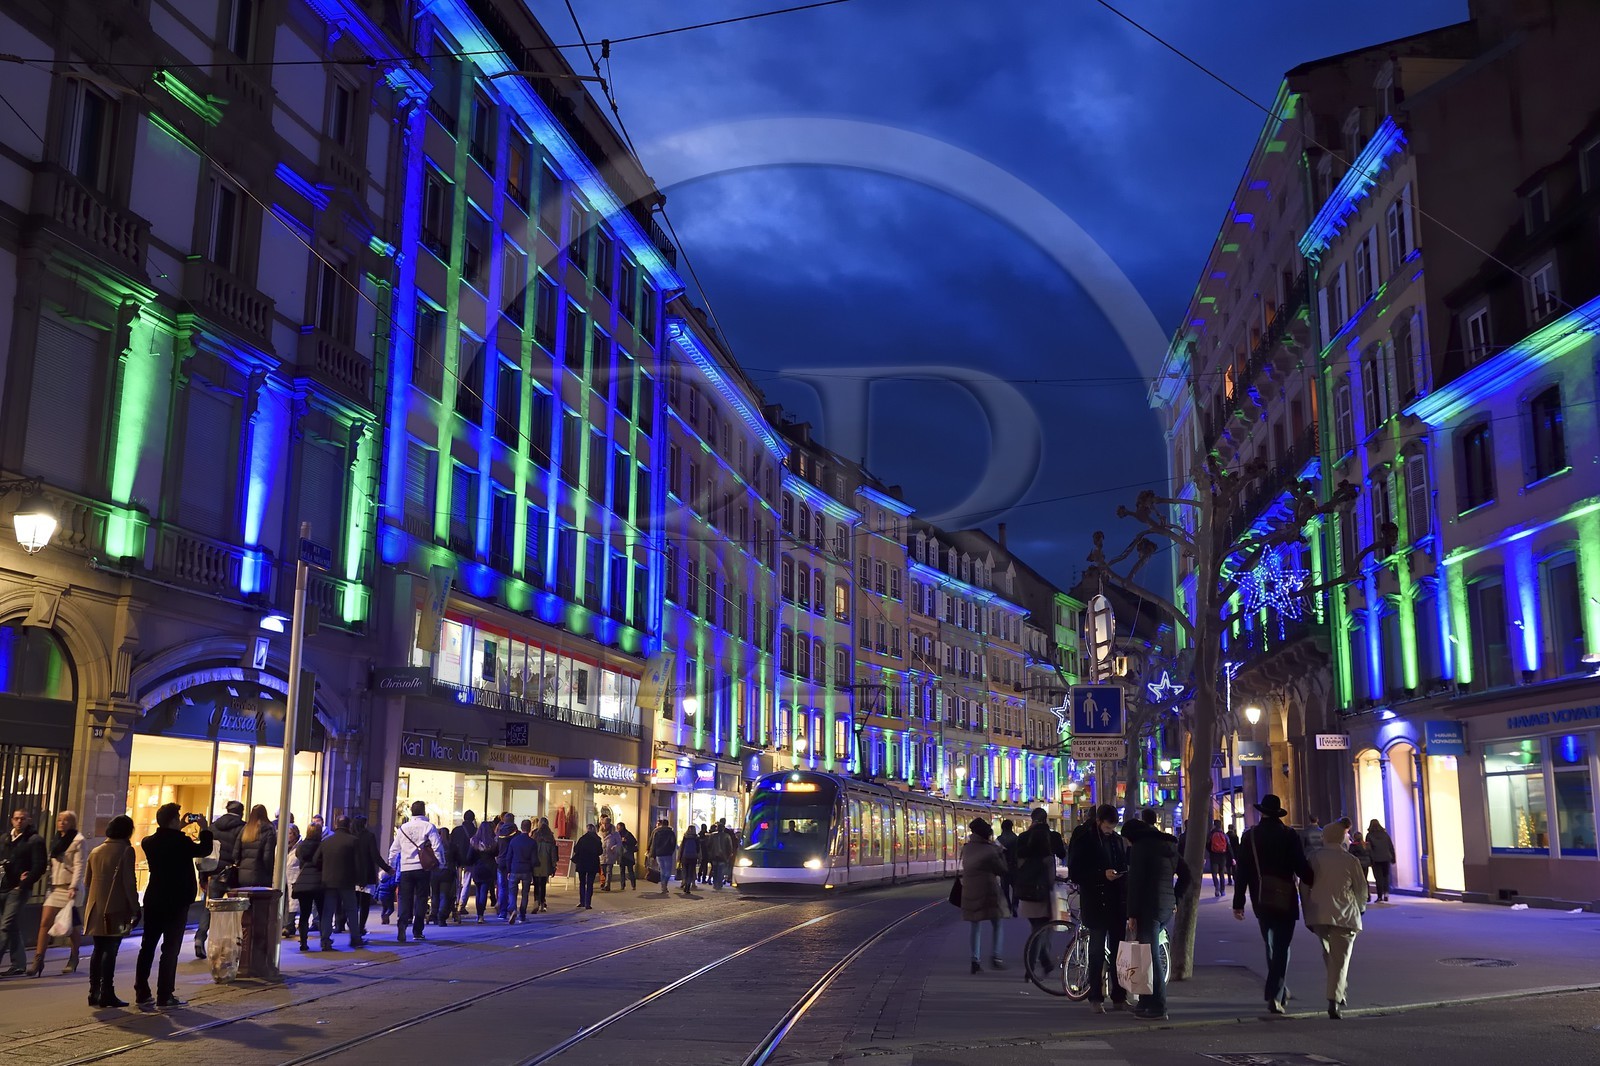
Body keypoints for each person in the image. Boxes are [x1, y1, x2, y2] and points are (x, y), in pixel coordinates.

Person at [1233, 794, 1315, 1015]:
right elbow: (1301, 867)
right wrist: (1314, 879)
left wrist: (1238, 902)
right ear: (1278, 813)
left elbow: (1241, 871)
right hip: (1286, 897)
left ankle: (1279, 989)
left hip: (1261, 898)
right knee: (1281, 946)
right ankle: (1275, 994)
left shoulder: (1250, 837)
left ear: (1262, 812)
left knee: (1271, 945)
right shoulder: (1289, 835)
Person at [134, 803, 212, 1007]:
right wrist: (203, 828)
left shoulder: (148, 842)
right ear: (172, 821)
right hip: (177, 901)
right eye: (177, 818)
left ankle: (141, 991)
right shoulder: (181, 842)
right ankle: (165, 993)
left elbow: (168, 838)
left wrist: (179, 827)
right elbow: (205, 849)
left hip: (154, 898)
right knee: (170, 949)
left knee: (147, 946)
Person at [1122, 811, 1191, 1021]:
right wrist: (1176, 898)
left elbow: (1135, 883)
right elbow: (1186, 875)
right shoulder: (1168, 845)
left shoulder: (1140, 849)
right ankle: (1145, 1002)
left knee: (1150, 958)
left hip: (1148, 907)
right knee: (1146, 955)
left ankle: (1158, 1005)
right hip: (1165, 907)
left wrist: (1131, 914)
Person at [1067, 804, 1129, 1013]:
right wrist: (1102, 875)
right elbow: (1076, 872)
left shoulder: (1116, 841)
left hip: (1115, 901)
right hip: (1096, 900)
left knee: (1118, 952)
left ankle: (1119, 995)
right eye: (1108, 827)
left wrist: (1120, 874)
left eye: (1113, 827)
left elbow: (1123, 864)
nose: (1110, 831)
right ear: (1099, 821)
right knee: (1096, 951)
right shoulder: (1085, 839)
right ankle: (1096, 996)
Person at [1303, 821, 1367, 1019]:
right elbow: (1361, 889)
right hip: (1344, 914)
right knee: (1340, 959)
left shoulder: (1314, 858)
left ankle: (1339, 992)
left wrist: (1307, 909)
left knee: (1330, 955)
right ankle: (1334, 1000)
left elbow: (1304, 886)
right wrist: (1361, 908)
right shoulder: (1350, 860)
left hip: (1319, 914)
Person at [83, 815, 139, 1008]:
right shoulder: (126, 851)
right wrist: (135, 907)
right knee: (111, 949)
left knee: (98, 949)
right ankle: (107, 991)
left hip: (95, 907)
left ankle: (94, 991)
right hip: (116, 907)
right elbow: (129, 882)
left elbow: (87, 882)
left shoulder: (95, 851)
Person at [32, 809, 87, 977]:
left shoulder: (78, 840)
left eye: (66, 820)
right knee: (44, 922)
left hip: (70, 888)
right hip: (55, 888)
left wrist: (73, 886)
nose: (61, 823)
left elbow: (80, 865)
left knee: (70, 927)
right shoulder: (57, 840)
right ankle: (38, 959)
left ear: (72, 823)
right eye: (60, 820)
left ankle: (74, 957)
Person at [1013, 808, 1066, 975]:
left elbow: (1016, 861)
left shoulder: (1022, 837)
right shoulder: (1053, 837)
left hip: (1025, 890)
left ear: (1032, 819)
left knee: (1036, 928)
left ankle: (1043, 962)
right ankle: (1032, 966)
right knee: (1042, 929)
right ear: (1046, 819)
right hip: (1044, 891)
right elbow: (1063, 853)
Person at [388, 800, 445, 942]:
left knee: (404, 898)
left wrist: (392, 865)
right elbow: (437, 847)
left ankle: (402, 926)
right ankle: (417, 931)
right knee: (421, 898)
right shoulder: (428, 827)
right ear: (424, 811)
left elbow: (394, 850)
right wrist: (441, 863)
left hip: (406, 868)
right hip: (422, 869)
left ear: (411, 812)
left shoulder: (403, 828)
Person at [194, 800, 244, 960]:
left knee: (209, 907)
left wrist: (202, 877)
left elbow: (206, 853)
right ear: (241, 812)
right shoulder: (242, 828)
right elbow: (238, 853)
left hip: (214, 873)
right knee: (236, 910)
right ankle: (229, 944)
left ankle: (200, 938)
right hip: (232, 874)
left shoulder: (214, 827)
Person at [1, 809, 46, 976]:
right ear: (12, 820)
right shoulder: (5, 839)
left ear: (29, 820)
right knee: (11, 927)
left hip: (18, 890)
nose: (19, 821)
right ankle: (19, 964)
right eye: (16, 818)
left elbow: (39, 866)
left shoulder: (34, 840)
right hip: (3, 887)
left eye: (23, 819)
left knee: (5, 927)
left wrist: (24, 883)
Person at [960, 818, 1008, 973]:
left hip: (969, 891)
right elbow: (1002, 870)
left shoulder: (966, 848)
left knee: (975, 925)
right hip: (989, 891)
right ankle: (996, 956)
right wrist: (1000, 852)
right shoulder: (990, 850)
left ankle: (975, 960)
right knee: (998, 923)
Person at [314, 817, 364, 950]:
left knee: (328, 911)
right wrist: (360, 879)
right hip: (347, 881)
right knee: (352, 910)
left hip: (328, 880)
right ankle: (355, 938)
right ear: (349, 825)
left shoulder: (326, 841)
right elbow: (359, 863)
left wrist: (325, 870)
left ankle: (325, 939)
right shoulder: (354, 841)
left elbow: (315, 860)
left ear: (336, 825)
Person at [348, 815, 390, 941]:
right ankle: (361, 928)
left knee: (353, 904)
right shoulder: (369, 836)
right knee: (364, 904)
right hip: (366, 876)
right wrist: (387, 868)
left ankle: (353, 926)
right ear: (364, 824)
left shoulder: (350, 837)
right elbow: (375, 856)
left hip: (352, 876)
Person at [291, 825, 324, 949]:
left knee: (304, 914)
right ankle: (324, 940)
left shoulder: (301, 846)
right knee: (321, 913)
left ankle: (303, 942)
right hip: (318, 881)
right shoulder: (321, 846)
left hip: (303, 881)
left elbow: (300, 859)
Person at [232, 804, 276, 888]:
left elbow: (235, 853)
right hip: (260, 874)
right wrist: (269, 872)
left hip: (243, 875)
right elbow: (267, 856)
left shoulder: (245, 829)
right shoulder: (268, 830)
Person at [506, 819, 538, 921]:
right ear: (529, 829)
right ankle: (522, 914)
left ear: (521, 827)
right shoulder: (532, 842)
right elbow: (534, 860)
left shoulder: (514, 841)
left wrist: (508, 870)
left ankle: (513, 908)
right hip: (526, 870)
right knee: (525, 893)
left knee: (512, 892)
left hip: (515, 869)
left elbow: (508, 857)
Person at [451, 812, 478, 919]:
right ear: (473, 819)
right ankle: (461, 905)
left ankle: (456, 902)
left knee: (457, 882)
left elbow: (452, 843)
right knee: (466, 882)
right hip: (469, 859)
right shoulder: (475, 831)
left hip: (457, 859)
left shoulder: (456, 830)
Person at [470, 822, 499, 921]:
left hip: (477, 868)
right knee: (484, 891)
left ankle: (479, 914)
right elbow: (496, 853)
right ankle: (481, 915)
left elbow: (469, 857)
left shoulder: (474, 842)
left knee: (478, 891)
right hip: (489, 868)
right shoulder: (493, 842)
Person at [493, 812, 518, 919]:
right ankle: (512, 908)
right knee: (512, 887)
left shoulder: (499, 833)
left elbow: (495, 848)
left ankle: (502, 912)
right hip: (513, 863)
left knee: (502, 887)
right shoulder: (517, 834)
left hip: (501, 862)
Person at [572, 823, 602, 908]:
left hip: (582, 863)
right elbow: (600, 852)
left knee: (582, 883)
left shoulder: (582, 839)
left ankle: (582, 901)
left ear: (587, 829)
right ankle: (588, 903)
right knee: (590, 883)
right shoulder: (597, 840)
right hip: (592, 864)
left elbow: (576, 849)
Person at [532, 818, 558, 913]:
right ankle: (542, 904)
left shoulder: (535, 835)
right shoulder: (550, 837)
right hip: (546, 864)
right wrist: (554, 865)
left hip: (535, 863)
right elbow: (553, 854)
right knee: (542, 885)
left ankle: (536, 901)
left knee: (536, 883)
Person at [1366, 820, 1396, 903]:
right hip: (1386, 858)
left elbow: (1369, 849)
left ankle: (1380, 896)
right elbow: (1390, 846)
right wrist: (1393, 857)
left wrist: (1370, 859)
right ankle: (1386, 893)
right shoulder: (1385, 835)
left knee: (1378, 878)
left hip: (1376, 859)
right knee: (1385, 876)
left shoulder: (1369, 835)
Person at [997, 817, 1021, 918]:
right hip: (1015, 867)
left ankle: (1007, 906)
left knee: (1004, 889)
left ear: (1002, 828)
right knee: (1016, 889)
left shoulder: (999, 840)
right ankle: (1015, 906)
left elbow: (996, 854)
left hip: (1003, 868)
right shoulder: (1016, 839)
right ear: (1012, 827)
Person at [1205, 819, 1234, 899]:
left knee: (1214, 873)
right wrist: (1232, 857)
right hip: (1223, 856)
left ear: (1214, 825)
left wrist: (1211, 851)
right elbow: (1229, 847)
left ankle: (1217, 888)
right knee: (1221, 873)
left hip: (1214, 856)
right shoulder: (1224, 834)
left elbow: (1207, 845)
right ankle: (1222, 890)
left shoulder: (1211, 834)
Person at [650, 818, 677, 896]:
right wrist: (671, 851)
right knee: (668, 871)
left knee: (662, 870)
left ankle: (663, 885)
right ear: (667, 824)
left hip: (659, 853)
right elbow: (673, 843)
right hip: (667, 853)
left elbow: (653, 843)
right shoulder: (671, 832)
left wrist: (653, 854)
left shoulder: (657, 832)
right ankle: (665, 884)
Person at [1348, 831, 1373, 901]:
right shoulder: (1366, 844)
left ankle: (1360, 895)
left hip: (1358, 864)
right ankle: (1368, 895)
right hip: (1366, 864)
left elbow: (1351, 855)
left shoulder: (1353, 845)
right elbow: (1370, 854)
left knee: (1358, 880)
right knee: (1365, 879)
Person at [678, 825, 700, 897]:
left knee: (685, 871)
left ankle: (684, 883)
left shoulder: (685, 837)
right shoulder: (696, 838)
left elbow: (682, 848)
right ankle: (688, 886)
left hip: (685, 857)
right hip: (693, 857)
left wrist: (679, 857)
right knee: (691, 872)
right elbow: (698, 849)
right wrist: (699, 857)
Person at [616, 821, 638, 891]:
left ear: (622, 827)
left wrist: (626, 840)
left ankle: (633, 885)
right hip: (622, 854)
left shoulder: (628, 834)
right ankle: (622, 885)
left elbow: (634, 842)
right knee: (622, 871)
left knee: (630, 870)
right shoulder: (617, 834)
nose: (618, 829)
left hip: (628, 855)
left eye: (618, 827)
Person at [601, 822, 621, 892]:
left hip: (610, 854)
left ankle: (607, 885)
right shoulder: (600, 833)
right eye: (603, 824)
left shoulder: (615, 833)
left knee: (608, 871)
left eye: (606, 824)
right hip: (602, 855)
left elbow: (619, 843)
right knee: (603, 871)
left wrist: (614, 847)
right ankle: (605, 883)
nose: (604, 825)